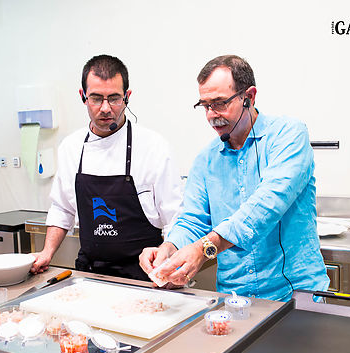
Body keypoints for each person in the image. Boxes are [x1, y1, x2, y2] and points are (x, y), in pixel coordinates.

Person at [139, 55, 329, 301]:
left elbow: (266, 206)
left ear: (249, 97)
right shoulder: (206, 159)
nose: (211, 115)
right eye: (205, 105)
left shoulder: (288, 135)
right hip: (235, 299)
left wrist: (203, 249)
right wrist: (170, 248)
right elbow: (193, 219)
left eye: (219, 103)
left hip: (295, 297)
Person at [32, 54, 182, 281]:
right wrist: (46, 253)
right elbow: (62, 208)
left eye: (114, 98)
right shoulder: (71, 147)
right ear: (83, 97)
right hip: (90, 274)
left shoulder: (153, 147)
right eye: (96, 98)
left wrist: (168, 262)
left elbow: (175, 217)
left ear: (127, 97)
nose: (105, 108)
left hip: (144, 274)